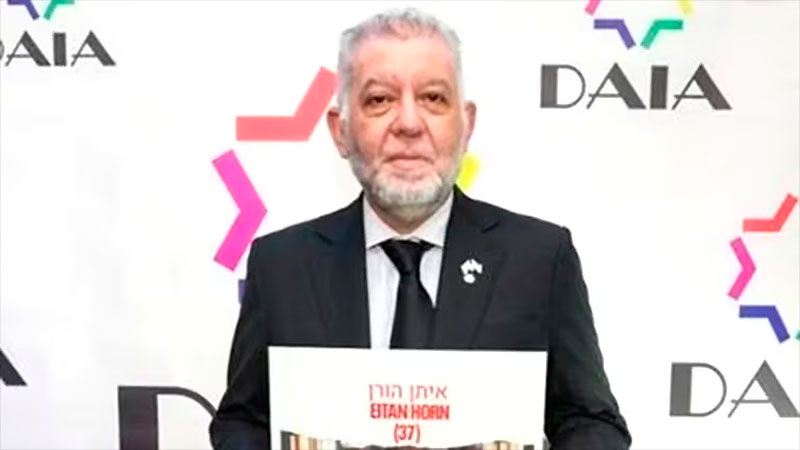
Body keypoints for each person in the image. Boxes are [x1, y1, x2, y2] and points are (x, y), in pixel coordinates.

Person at [210, 8, 630, 450]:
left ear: (466, 124)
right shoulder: (282, 266)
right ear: (341, 130)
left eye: (433, 98)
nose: (409, 124)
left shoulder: (540, 259)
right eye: (379, 100)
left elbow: (593, 423)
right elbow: (242, 422)